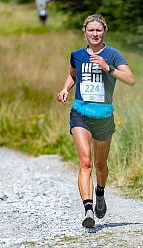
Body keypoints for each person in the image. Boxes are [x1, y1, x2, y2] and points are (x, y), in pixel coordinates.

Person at [57, 14, 135, 228]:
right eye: (91, 30)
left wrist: (107, 68)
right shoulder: (77, 55)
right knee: (85, 161)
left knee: (101, 165)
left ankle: (100, 192)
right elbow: (73, 75)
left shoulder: (112, 54)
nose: (94, 34)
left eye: (98, 30)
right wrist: (65, 89)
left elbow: (131, 80)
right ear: (85, 32)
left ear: (104, 32)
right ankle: (88, 210)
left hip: (103, 117)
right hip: (80, 113)